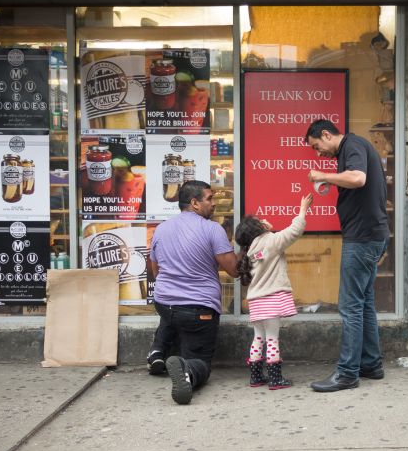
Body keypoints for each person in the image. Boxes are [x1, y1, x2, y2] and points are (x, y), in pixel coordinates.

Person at [305, 119, 390, 392]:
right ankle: (371, 364)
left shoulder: (352, 144)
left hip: (363, 238)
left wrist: (323, 176)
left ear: (327, 135)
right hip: (371, 235)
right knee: (364, 303)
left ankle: (347, 373)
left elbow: (358, 178)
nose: (318, 154)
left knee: (350, 306)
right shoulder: (353, 148)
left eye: (317, 146)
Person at [146, 180, 238, 405]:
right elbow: (234, 270)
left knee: (174, 319)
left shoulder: (162, 228)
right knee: (201, 361)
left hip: (165, 305)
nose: (214, 203)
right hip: (198, 310)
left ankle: (158, 352)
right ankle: (188, 369)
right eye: (209, 198)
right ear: (195, 203)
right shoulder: (212, 229)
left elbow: (155, 269)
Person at [234, 193, 314, 390]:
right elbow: (294, 231)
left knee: (258, 337)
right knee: (272, 339)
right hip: (272, 299)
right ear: (258, 229)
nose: (265, 220)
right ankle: (276, 379)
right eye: (260, 221)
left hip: (256, 302)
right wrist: (303, 208)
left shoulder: (250, 251)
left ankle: (255, 377)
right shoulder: (271, 242)